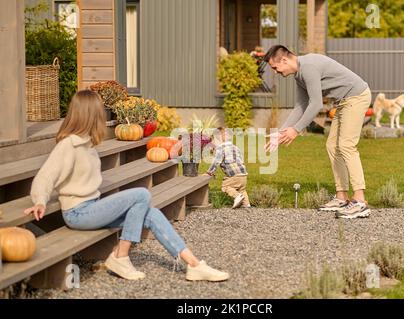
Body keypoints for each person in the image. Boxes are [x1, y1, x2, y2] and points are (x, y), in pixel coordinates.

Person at [24, 90, 230, 282]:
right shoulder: (68, 145)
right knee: (141, 194)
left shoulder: (87, 144)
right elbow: (45, 177)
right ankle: (121, 256)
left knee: (152, 214)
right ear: (89, 115)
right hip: (78, 213)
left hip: (92, 208)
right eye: (99, 112)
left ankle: (193, 264)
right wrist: (40, 200)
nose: (103, 118)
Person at [263, 45, 372, 219]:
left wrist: (296, 130)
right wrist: (282, 132)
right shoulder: (299, 75)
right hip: (343, 101)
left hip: (356, 96)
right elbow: (300, 106)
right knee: (332, 145)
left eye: (275, 68)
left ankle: (359, 201)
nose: (275, 72)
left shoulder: (308, 67)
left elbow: (316, 104)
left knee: (346, 145)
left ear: (284, 60)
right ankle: (341, 196)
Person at [204, 127, 250, 209]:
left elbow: (216, 162)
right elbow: (241, 160)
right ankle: (246, 204)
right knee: (242, 189)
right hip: (243, 174)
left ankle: (237, 196)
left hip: (234, 175)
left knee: (226, 187)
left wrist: (209, 172)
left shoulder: (221, 149)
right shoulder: (236, 147)